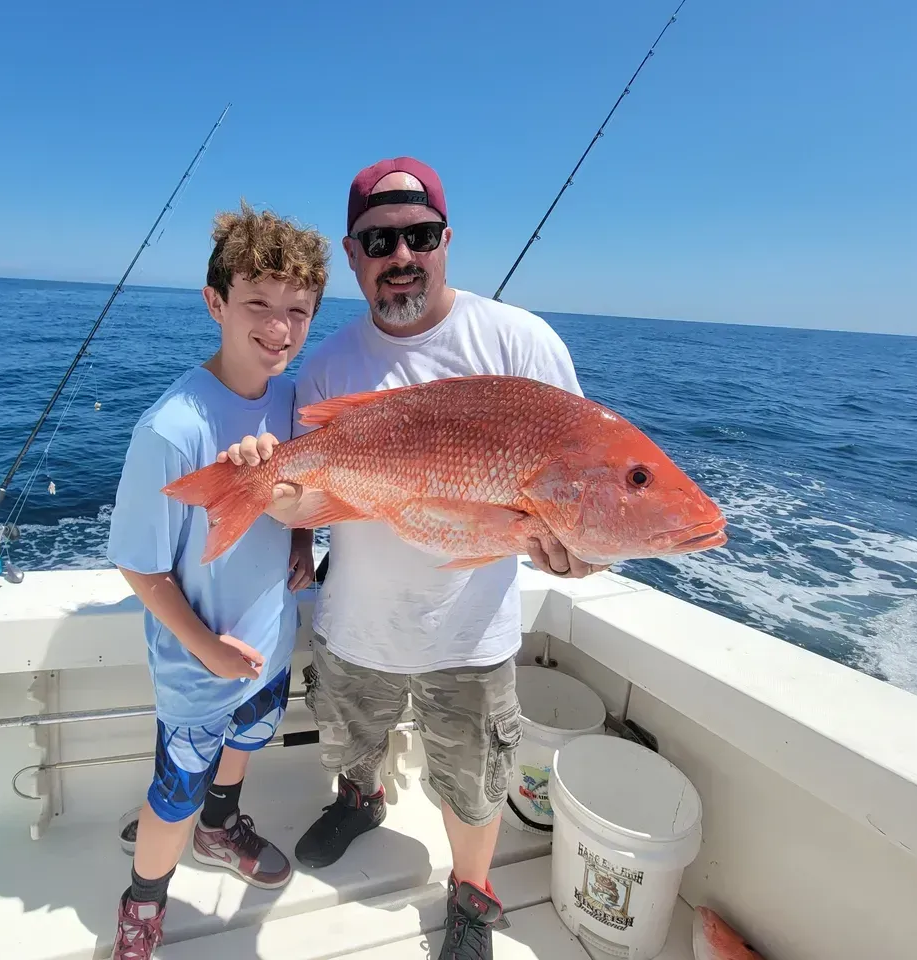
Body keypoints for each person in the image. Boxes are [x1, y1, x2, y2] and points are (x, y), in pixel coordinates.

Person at [219, 158, 607, 960]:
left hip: (471, 637)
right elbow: (310, 479)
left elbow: (585, 488)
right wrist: (292, 528)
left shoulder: (521, 343)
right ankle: (360, 801)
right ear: (355, 254)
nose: (402, 254)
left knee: (473, 780)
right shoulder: (324, 365)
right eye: (380, 239)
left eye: (419, 235)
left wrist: (583, 560)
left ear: (446, 242)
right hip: (354, 625)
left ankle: (472, 892)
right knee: (350, 744)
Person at [104, 201, 328, 959]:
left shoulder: (293, 400)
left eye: (297, 310)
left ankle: (221, 824)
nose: (278, 328)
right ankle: (144, 904)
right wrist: (205, 649)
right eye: (258, 305)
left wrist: (301, 536)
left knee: (252, 737)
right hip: (201, 661)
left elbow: (300, 489)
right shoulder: (173, 427)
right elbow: (139, 564)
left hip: (269, 635)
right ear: (215, 303)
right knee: (173, 792)